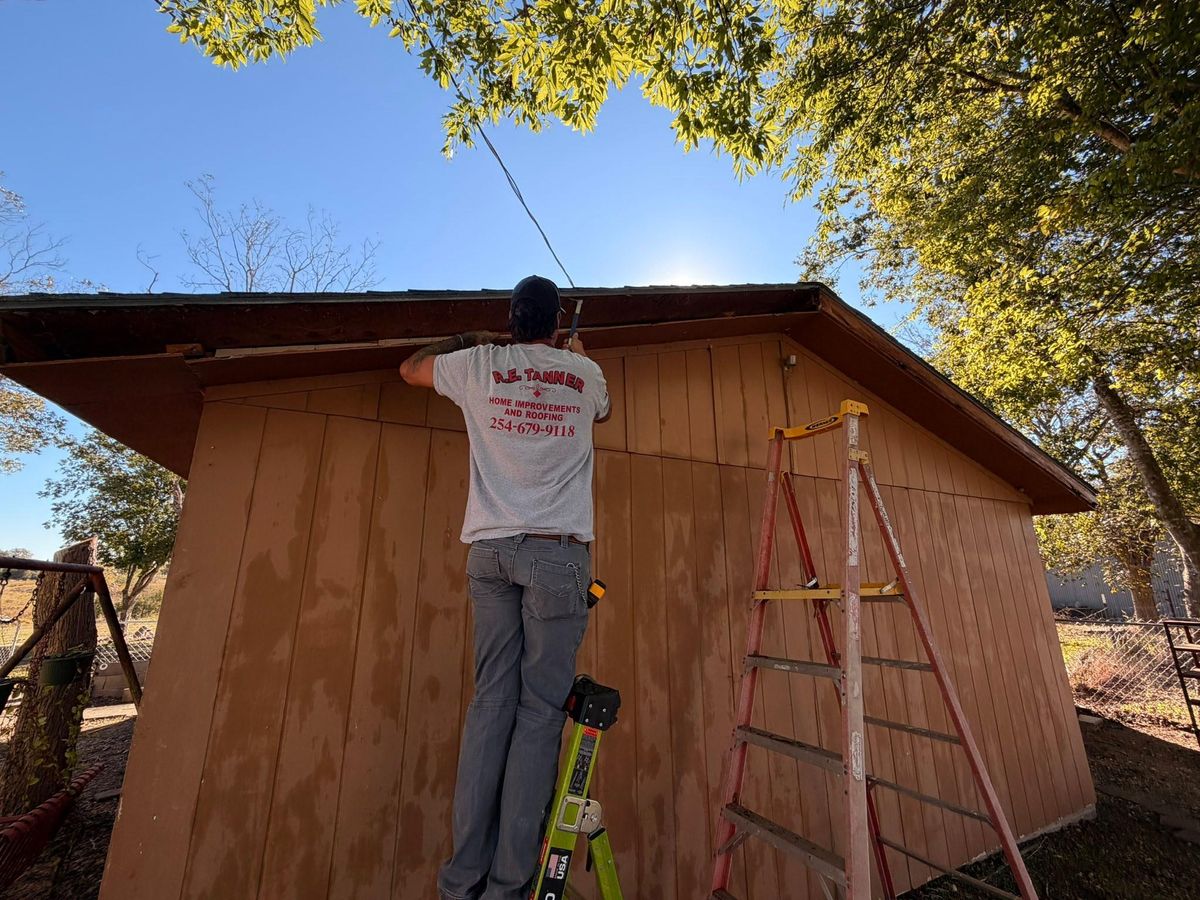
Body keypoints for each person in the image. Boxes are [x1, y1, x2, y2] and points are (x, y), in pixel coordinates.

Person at [398, 275, 611, 900]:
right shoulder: (586, 373)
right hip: (556, 557)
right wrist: (576, 357)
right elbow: (604, 409)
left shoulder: (478, 365)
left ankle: (462, 880)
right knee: (538, 716)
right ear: (556, 322)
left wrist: (477, 339)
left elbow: (410, 369)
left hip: (490, 554)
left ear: (511, 319)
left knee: (490, 704)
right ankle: (509, 886)